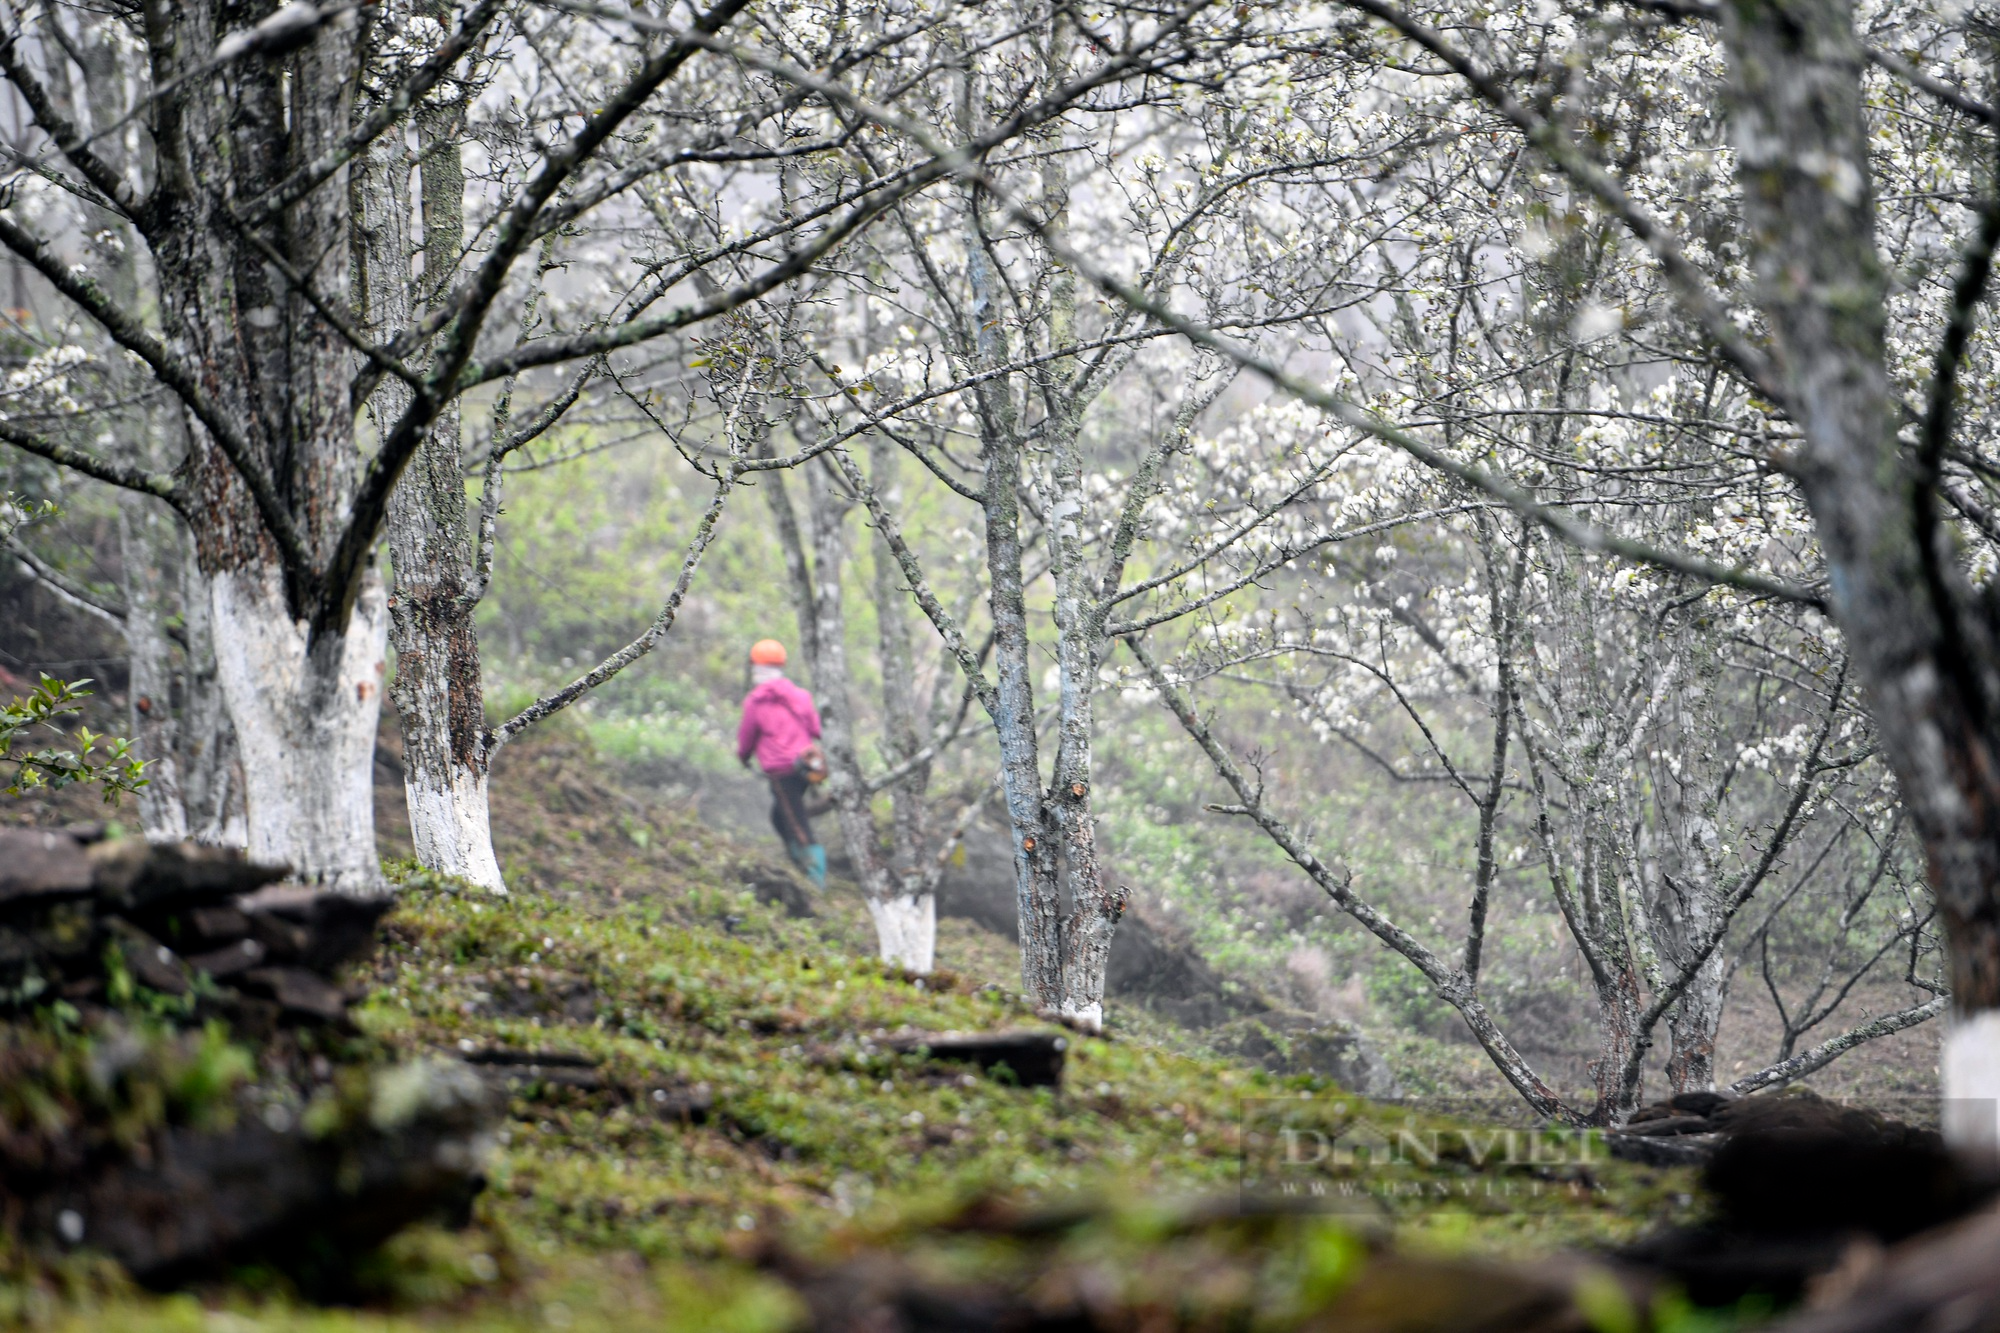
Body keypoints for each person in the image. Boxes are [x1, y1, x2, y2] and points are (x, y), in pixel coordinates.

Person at [736, 638, 827, 888]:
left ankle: (815, 879)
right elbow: (817, 728)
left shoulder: (755, 702)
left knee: (797, 823)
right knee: (780, 817)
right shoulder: (801, 696)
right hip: (805, 767)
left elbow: (747, 738)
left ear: (758, 669)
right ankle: (798, 861)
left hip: (781, 771)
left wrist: (743, 758)